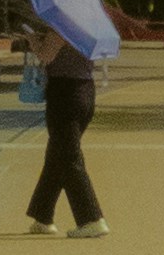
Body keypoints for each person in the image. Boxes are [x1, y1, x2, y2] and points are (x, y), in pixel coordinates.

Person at [21, 19, 109, 238]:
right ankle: (43, 216)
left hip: (65, 94)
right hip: (85, 91)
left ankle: (91, 218)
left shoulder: (63, 25)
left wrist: (33, 41)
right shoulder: (89, 26)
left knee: (69, 158)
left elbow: (45, 56)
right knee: (57, 155)